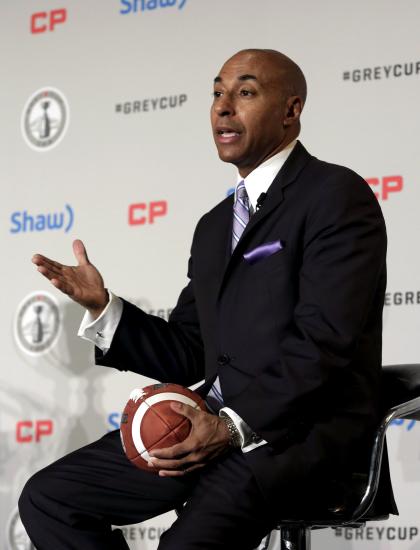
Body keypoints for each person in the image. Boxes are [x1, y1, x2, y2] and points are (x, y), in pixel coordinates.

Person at [19, 49, 397, 550]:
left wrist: (231, 426)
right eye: (217, 92)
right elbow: (191, 349)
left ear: (291, 110)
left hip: (298, 438)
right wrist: (104, 307)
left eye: (245, 92)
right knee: (50, 498)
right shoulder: (215, 225)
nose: (222, 107)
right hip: (209, 426)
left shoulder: (335, 195)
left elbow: (324, 344)